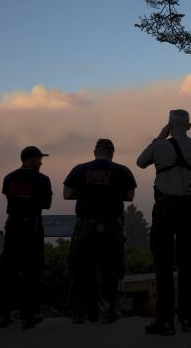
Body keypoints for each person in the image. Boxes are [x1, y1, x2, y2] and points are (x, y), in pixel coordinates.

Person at [137, 109, 191, 335]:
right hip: (189, 210)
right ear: (189, 125)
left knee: (163, 265)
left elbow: (141, 162)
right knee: (187, 263)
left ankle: (165, 321)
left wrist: (159, 137)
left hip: (165, 209)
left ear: (169, 124)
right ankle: (187, 318)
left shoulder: (159, 146)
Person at [64, 139, 137, 324]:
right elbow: (129, 196)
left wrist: (86, 194)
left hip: (84, 225)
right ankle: (109, 311)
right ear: (112, 152)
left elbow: (67, 194)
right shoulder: (122, 170)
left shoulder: (79, 169)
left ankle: (78, 313)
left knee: (79, 268)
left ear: (95, 151)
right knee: (111, 268)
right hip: (111, 225)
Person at [0, 146, 53, 329]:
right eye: (39, 159)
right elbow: (47, 204)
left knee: (8, 269)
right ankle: (29, 314)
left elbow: (9, 200)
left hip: (13, 225)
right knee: (32, 270)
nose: (41, 162)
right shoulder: (43, 179)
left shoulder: (8, 178)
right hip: (32, 226)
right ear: (32, 160)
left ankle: (2, 314)